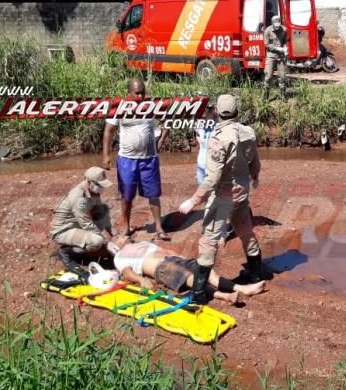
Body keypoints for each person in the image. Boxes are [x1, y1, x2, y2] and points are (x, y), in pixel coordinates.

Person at [178, 94, 262, 304]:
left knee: (208, 240)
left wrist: (193, 200)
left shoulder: (219, 138)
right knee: (244, 230)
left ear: (217, 112)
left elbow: (212, 177)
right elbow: (255, 161)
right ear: (236, 111)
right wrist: (255, 177)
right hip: (241, 192)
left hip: (224, 195)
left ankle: (197, 293)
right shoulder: (248, 132)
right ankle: (256, 272)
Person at [102, 77, 170, 241]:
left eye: (143, 92)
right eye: (137, 93)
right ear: (129, 93)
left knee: (154, 195)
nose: (140, 96)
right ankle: (126, 227)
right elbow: (108, 131)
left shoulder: (152, 106)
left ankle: (159, 227)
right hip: (127, 160)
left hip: (149, 159)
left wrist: (160, 141)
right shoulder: (119, 108)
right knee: (127, 196)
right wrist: (106, 154)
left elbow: (168, 121)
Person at [108, 238, 266, 305]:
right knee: (192, 279)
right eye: (118, 237)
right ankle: (224, 296)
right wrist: (140, 280)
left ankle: (243, 288)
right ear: (116, 246)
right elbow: (127, 272)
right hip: (160, 267)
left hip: (173, 259)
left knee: (206, 272)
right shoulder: (119, 256)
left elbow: (164, 249)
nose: (122, 236)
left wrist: (183, 257)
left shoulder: (140, 243)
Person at [50, 166, 116, 274]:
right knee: (97, 241)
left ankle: (86, 245)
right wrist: (105, 242)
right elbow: (86, 224)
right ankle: (67, 252)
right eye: (99, 185)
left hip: (78, 224)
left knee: (103, 209)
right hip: (64, 230)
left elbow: (100, 212)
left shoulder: (93, 191)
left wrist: (112, 233)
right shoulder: (79, 198)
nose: (101, 188)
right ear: (89, 181)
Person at [195, 105, 233, 239]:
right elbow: (197, 136)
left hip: (215, 169)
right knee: (206, 199)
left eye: (204, 111)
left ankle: (221, 233)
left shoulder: (220, 126)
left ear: (213, 111)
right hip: (201, 167)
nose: (202, 115)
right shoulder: (199, 122)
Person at [263, 15, 287, 100]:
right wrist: (277, 48)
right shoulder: (267, 31)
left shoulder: (284, 29)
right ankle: (266, 97)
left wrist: (285, 48)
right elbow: (266, 44)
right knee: (268, 76)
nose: (277, 27)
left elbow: (285, 41)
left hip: (281, 56)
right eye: (275, 25)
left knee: (282, 76)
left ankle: (283, 96)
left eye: (278, 25)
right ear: (272, 23)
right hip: (271, 56)